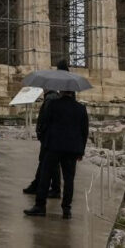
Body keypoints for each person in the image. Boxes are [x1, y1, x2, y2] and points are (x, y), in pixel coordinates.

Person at [24, 90, 89, 219]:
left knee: (45, 176)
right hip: (72, 149)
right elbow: (84, 131)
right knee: (69, 180)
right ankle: (66, 209)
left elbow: (44, 124)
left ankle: (40, 206)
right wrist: (81, 151)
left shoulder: (53, 105)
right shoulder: (81, 108)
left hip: (54, 147)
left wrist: (45, 142)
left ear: (62, 91)